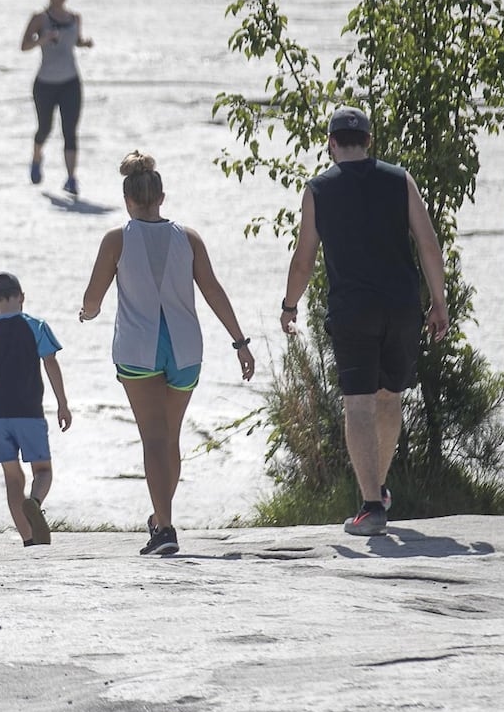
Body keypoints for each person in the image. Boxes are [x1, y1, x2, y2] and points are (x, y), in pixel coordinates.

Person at [280, 106, 448, 536]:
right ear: (369, 141)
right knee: (390, 397)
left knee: (358, 403)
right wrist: (439, 302)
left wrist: (290, 304)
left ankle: (372, 505)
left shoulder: (318, 188)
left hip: (354, 311)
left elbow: (304, 259)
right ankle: (379, 490)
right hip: (402, 307)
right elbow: (428, 244)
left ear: (331, 143)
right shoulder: (400, 179)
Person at [79, 152, 255, 556]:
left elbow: (93, 299)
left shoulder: (116, 240)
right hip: (186, 348)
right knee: (169, 438)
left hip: (139, 349)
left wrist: (86, 313)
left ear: (128, 199)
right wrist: (240, 342)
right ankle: (161, 518)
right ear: (162, 196)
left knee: (153, 439)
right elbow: (212, 290)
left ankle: (165, 529)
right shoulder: (188, 237)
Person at [0, 272, 72, 547]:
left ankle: (29, 539)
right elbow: (50, 363)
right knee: (42, 471)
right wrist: (62, 403)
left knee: (13, 479)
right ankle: (35, 503)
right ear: (21, 297)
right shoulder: (36, 327)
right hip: (28, 411)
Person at [19, 0, 95, 196]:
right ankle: (36, 157)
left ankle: (71, 178)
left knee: (70, 131)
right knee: (45, 127)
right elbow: (23, 45)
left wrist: (84, 43)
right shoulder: (40, 18)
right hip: (45, 83)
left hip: (70, 82)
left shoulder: (75, 18)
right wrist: (42, 39)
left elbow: (75, 40)